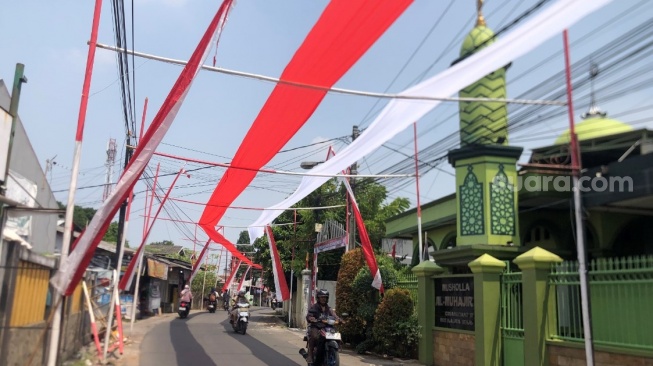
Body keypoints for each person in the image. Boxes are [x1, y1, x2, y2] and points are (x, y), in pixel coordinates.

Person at [305, 289, 338, 366]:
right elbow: (309, 315)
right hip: (316, 326)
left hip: (326, 327)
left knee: (335, 334)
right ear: (318, 298)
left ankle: (331, 351)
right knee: (314, 336)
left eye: (325, 297)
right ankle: (310, 355)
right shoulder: (314, 307)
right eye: (322, 297)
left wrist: (340, 320)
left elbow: (335, 316)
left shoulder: (328, 308)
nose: (323, 299)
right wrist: (311, 318)